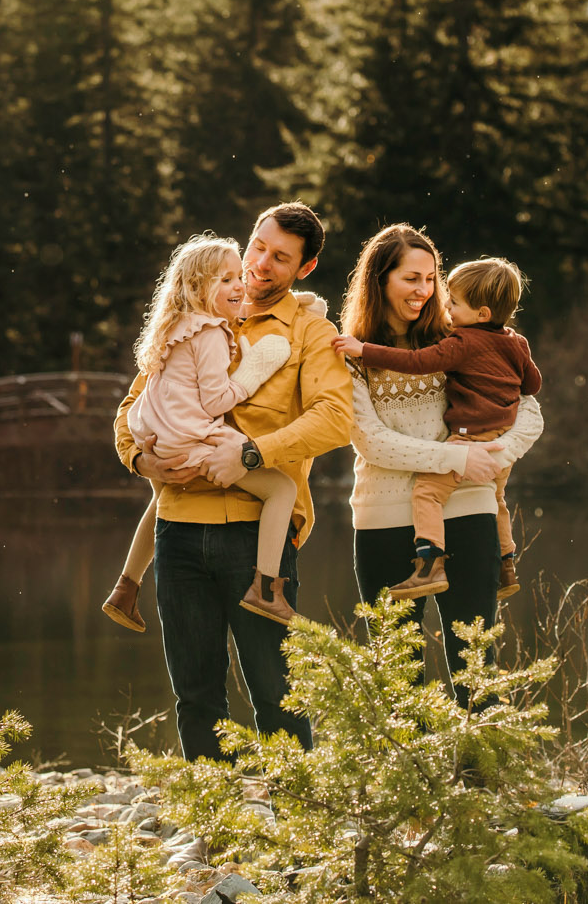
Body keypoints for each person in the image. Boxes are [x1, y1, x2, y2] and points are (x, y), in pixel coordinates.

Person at [111, 202, 353, 762]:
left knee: (278, 693)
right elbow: (131, 406)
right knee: (195, 695)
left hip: (256, 538)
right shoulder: (196, 309)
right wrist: (142, 462)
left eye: (280, 259)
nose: (260, 265)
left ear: (305, 269)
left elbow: (335, 418)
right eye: (258, 247)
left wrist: (252, 454)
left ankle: (300, 820)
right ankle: (214, 824)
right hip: (178, 529)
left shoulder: (310, 331)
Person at [339, 225, 544, 700]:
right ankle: (414, 776)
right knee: (398, 675)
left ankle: (480, 776)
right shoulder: (350, 352)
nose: (424, 291)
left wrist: (494, 456)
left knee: (476, 666)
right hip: (383, 515)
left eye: (431, 279)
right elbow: (370, 441)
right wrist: (456, 455)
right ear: (380, 280)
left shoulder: (461, 335)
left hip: (469, 508)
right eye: (412, 278)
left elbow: (527, 407)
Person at [104, 235, 303, 631]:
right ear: (197, 289)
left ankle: (125, 588)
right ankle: (267, 589)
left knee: (162, 498)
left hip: (155, 431)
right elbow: (215, 401)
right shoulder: (211, 332)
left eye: (238, 278)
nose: (239, 287)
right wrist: (250, 377)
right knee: (281, 490)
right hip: (187, 436)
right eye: (226, 280)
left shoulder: (174, 326)